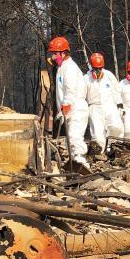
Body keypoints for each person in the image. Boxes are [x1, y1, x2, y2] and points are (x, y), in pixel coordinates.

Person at [48, 36, 89, 168]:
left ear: (63, 53)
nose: (53, 57)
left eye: (55, 53)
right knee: (71, 139)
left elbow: (70, 89)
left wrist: (66, 105)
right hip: (70, 108)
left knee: (74, 137)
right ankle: (75, 164)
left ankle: (81, 163)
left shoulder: (70, 68)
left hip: (76, 108)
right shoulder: (62, 68)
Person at [84, 52, 123, 152]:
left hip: (110, 105)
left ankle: (113, 149)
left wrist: (119, 104)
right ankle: (99, 154)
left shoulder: (109, 75)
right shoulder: (86, 79)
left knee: (116, 127)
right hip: (94, 107)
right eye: (96, 69)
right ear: (91, 67)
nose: (98, 71)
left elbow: (116, 90)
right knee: (98, 135)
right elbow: (81, 96)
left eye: (100, 68)